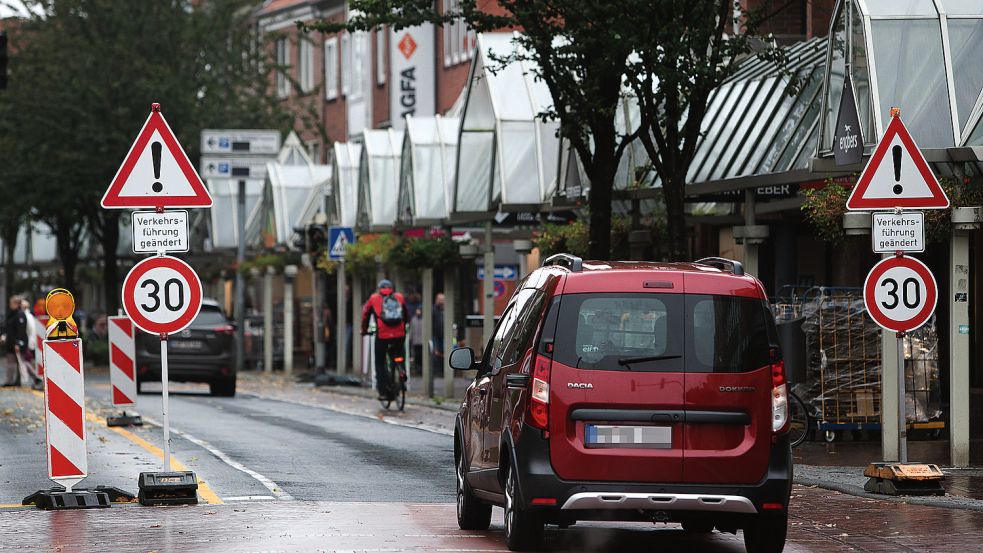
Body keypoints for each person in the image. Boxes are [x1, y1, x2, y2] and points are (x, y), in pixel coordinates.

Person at [360, 279, 409, 400]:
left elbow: (365, 315)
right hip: (399, 334)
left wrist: (364, 330)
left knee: (380, 362)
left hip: (382, 335)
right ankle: (402, 371)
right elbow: (406, 314)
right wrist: (405, 324)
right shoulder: (399, 297)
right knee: (399, 355)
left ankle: (382, 392)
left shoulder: (374, 298)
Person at [2, 296, 28, 387]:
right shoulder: (10, 314)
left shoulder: (20, 314)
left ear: (17, 304)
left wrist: (18, 343)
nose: (10, 305)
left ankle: (26, 380)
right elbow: (7, 326)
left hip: (18, 342)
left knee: (21, 362)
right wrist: (4, 335)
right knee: (11, 362)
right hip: (10, 342)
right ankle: (10, 381)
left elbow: (21, 331)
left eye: (11, 303)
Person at [432, 293, 445, 370]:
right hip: (435, 335)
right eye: (440, 299)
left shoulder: (444, 310)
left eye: (443, 300)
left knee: (444, 352)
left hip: (443, 335)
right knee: (435, 352)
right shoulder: (433, 310)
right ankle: (437, 370)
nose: (442, 301)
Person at [409, 307, 423, 376]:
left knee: (421, 357)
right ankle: (416, 370)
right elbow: (411, 330)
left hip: (422, 342)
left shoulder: (424, 319)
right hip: (415, 342)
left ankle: (421, 370)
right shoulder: (413, 319)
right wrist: (410, 339)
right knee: (415, 357)